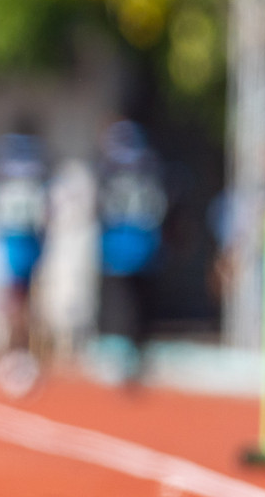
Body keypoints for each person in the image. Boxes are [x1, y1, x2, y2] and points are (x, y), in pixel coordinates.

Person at [94, 117, 167, 385]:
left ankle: (121, 357)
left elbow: (99, 207)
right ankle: (136, 356)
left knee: (119, 302)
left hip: (118, 246)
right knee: (138, 303)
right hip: (143, 245)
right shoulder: (150, 166)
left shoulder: (108, 169)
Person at [0, 118, 51, 398]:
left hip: (10, 238)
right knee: (27, 302)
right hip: (29, 239)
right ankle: (23, 358)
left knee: (14, 304)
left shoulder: (3, 161)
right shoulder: (42, 162)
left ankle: (16, 358)